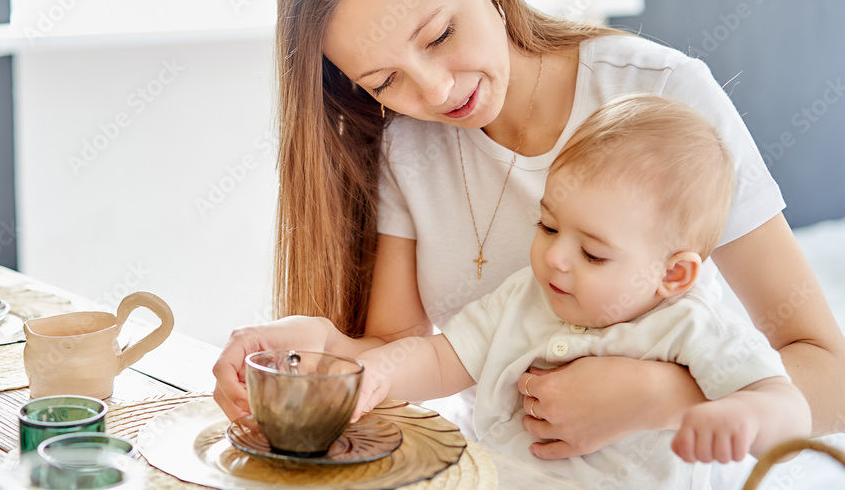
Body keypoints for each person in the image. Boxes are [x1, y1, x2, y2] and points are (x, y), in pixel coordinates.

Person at [214, 0, 845, 457]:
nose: (435, 92)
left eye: (438, 37)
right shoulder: (408, 147)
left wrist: (654, 398)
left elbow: (831, 375)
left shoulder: (663, 96)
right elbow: (405, 360)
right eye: (385, 81)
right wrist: (327, 355)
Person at [241, 95, 812, 488]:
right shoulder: (525, 297)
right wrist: (379, 374)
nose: (555, 258)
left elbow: (790, 410)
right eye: (547, 226)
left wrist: (743, 416)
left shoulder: (689, 327)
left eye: (593, 252)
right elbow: (441, 359)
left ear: (674, 275)